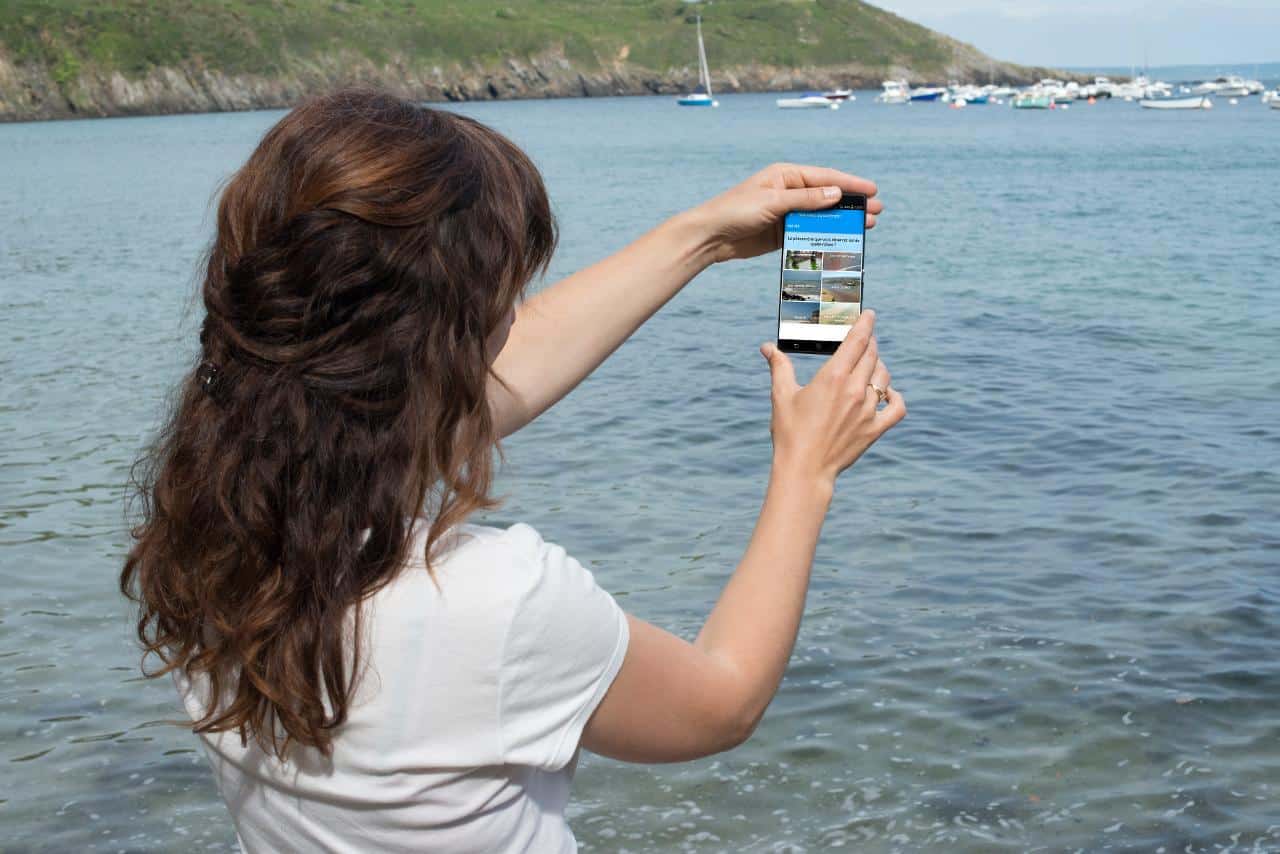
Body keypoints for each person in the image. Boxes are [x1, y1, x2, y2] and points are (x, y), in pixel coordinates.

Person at [121, 89, 903, 853]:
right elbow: (720, 705)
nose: (511, 321)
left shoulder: (209, 517)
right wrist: (806, 470)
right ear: (452, 343)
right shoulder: (494, 603)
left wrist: (702, 238)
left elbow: (427, 405)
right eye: (504, 298)